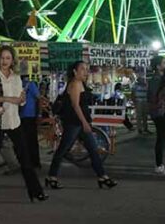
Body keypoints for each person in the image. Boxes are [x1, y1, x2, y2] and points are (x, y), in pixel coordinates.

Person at [0, 46, 47, 202]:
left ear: (12, 61)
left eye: (8, 58)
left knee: (25, 157)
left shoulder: (16, 77)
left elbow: (21, 101)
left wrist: (22, 98)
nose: (5, 61)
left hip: (14, 121)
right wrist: (10, 99)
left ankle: (35, 191)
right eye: (3, 58)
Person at [45, 61, 117, 189]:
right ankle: (51, 177)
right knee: (63, 150)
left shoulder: (81, 83)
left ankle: (102, 176)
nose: (86, 71)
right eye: (83, 69)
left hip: (80, 121)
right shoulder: (75, 84)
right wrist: (84, 122)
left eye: (86, 69)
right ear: (75, 71)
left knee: (93, 150)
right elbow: (75, 105)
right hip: (74, 122)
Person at [147, 56, 165, 174]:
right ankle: (159, 163)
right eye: (164, 63)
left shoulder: (162, 78)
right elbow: (155, 96)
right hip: (159, 111)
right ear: (158, 66)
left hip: (162, 110)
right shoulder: (156, 79)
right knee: (161, 137)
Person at [20, 76, 42, 168]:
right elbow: (38, 97)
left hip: (24, 116)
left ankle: (30, 161)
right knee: (30, 140)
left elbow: (39, 98)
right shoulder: (29, 84)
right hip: (27, 115)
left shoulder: (25, 84)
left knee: (26, 140)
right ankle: (32, 161)